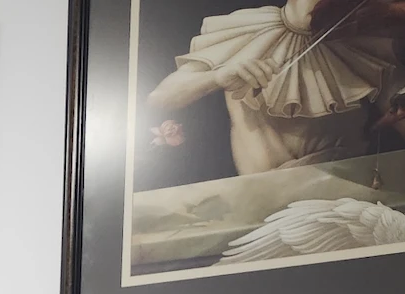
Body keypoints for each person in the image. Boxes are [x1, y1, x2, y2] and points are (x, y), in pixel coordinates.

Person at [146, 0, 405, 176]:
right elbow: (159, 98)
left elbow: (398, 112)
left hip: (350, 194)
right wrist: (217, 76)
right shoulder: (247, 27)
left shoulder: (364, 40)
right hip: (264, 199)